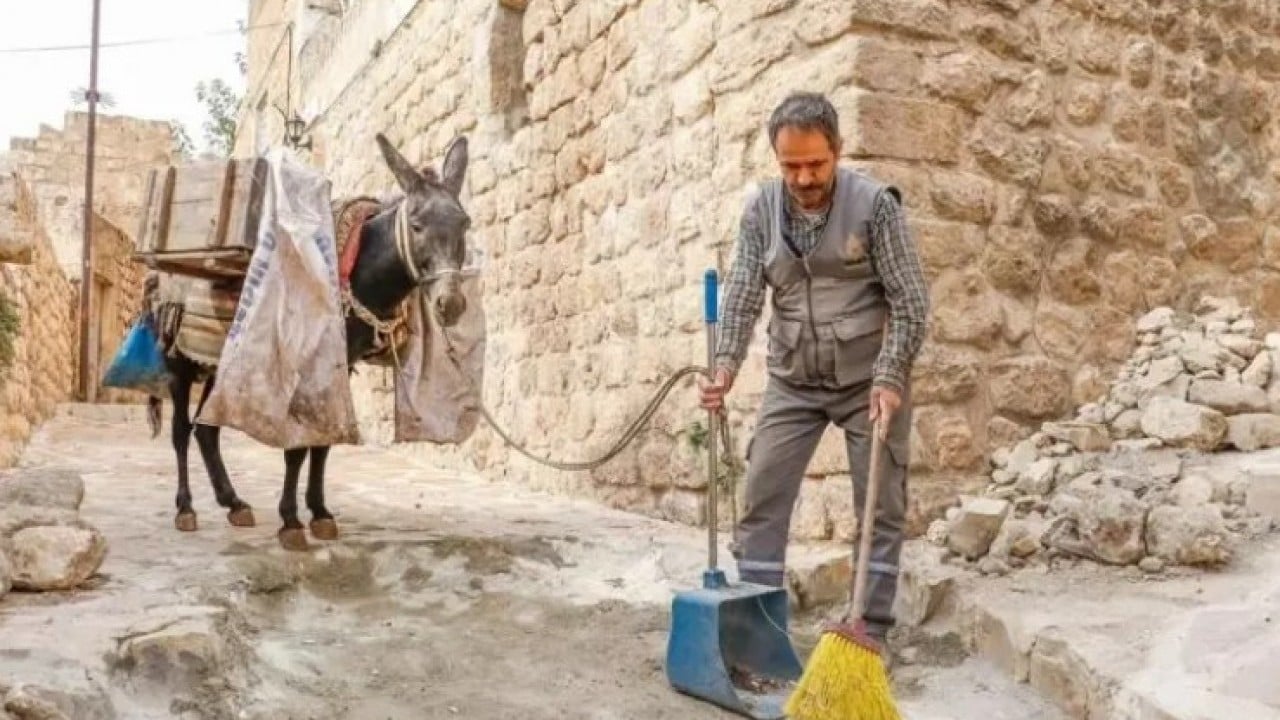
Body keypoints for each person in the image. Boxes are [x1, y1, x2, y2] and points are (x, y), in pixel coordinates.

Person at [699, 91, 930, 647]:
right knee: (761, 495)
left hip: (867, 381)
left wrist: (891, 374)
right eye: (791, 166)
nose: (803, 178)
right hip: (793, 380)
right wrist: (725, 366)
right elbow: (742, 296)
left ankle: (868, 631)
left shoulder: (876, 207)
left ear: (838, 150)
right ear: (777, 160)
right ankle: (760, 627)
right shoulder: (760, 211)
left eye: (815, 164)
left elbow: (912, 301)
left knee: (880, 507)